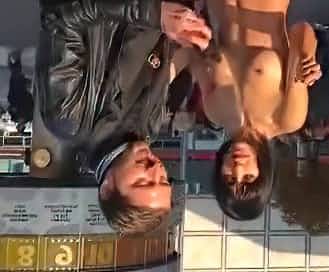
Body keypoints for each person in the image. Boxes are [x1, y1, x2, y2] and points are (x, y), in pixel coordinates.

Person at [35, 0, 211, 235]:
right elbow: (162, 48)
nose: (155, 168)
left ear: (107, 188)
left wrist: (154, 13)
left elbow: (60, 16)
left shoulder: (68, 118)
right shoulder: (150, 126)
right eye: (163, 180)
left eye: (142, 182)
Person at [189, 0, 322, 220]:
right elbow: (301, 30)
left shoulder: (214, 110)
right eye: (248, 177)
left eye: (229, 179)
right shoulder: (288, 118)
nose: (237, 168)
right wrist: (307, 58)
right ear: (264, 173)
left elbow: (194, 50)